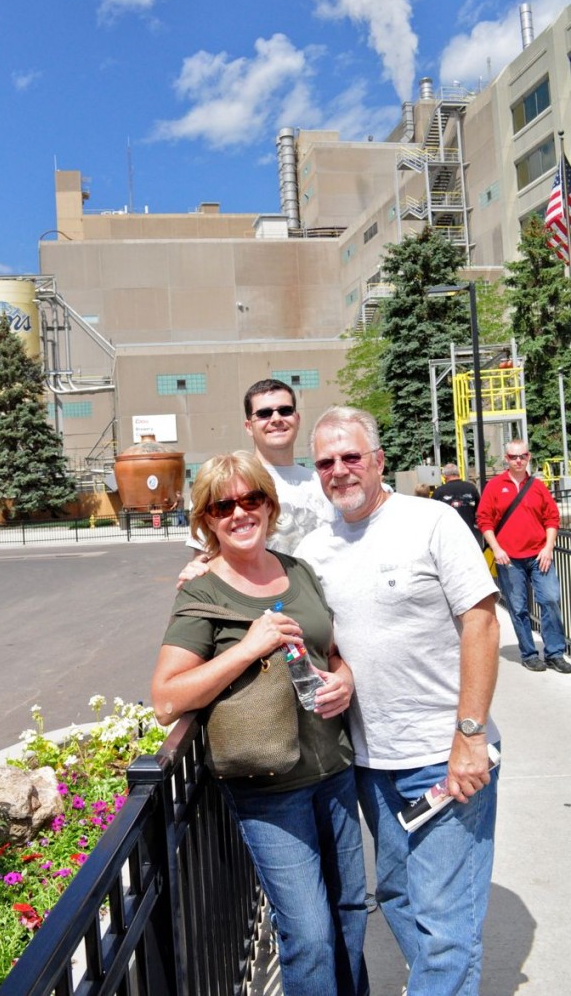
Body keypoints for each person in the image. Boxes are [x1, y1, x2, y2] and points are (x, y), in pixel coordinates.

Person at [294, 406, 500, 996]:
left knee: (445, 923)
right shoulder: (315, 549)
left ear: (378, 461)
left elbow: (482, 624)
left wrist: (470, 733)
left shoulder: (430, 521)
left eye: (351, 456)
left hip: (444, 755)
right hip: (370, 764)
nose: (340, 470)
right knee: (399, 895)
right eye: (327, 461)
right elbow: (320, 638)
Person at [153, 451, 369, 996]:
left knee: (349, 914)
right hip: (269, 790)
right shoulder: (202, 592)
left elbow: (329, 650)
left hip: (335, 770)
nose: (239, 513)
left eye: (251, 500)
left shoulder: (298, 572)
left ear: (269, 507)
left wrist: (343, 676)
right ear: (206, 520)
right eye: (223, 505)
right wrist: (247, 649)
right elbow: (166, 699)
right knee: (310, 936)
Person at [186, 378, 336, 558]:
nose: (276, 419)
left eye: (285, 410)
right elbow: (204, 559)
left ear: (297, 419)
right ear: (249, 426)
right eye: (264, 414)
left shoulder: (325, 482)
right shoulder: (222, 486)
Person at [477, 439, 571, 673]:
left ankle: (554, 653)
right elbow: (484, 520)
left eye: (522, 456)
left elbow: (551, 518)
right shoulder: (495, 486)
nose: (518, 460)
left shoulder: (537, 486)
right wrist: (497, 549)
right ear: (506, 459)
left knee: (550, 600)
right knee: (518, 607)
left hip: (540, 555)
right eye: (513, 457)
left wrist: (548, 547)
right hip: (509, 559)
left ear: (528, 457)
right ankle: (529, 653)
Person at [432, 463, 481, 543]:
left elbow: (433, 515)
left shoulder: (439, 492)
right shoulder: (471, 488)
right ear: (458, 474)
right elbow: (479, 509)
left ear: (445, 477)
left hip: (448, 536)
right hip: (469, 534)